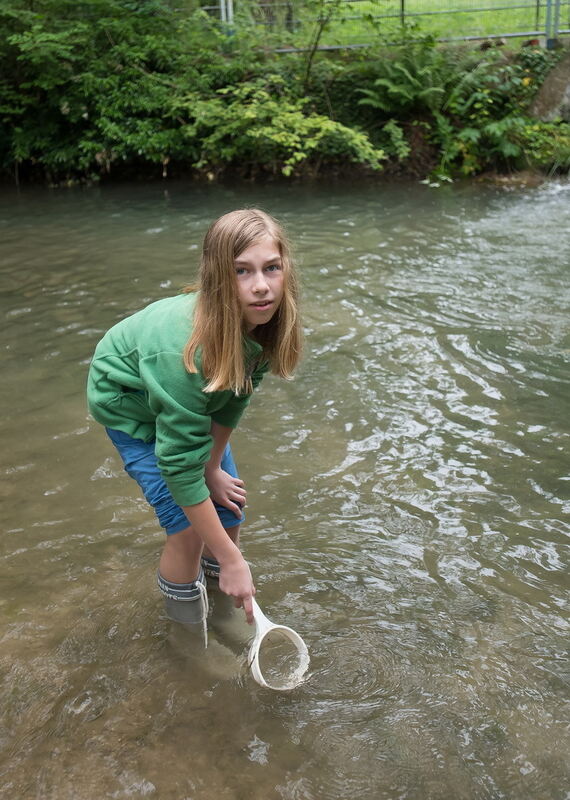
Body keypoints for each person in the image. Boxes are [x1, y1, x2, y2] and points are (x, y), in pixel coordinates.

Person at [87, 208, 301, 628]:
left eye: (271, 268)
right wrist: (232, 558)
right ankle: (185, 637)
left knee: (229, 511)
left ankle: (222, 611)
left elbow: (233, 400)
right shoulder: (184, 351)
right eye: (242, 272)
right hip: (129, 401)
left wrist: (214, 464)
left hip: (184, 395)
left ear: (285, 270)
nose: (261, 287)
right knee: (186, 531)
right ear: (218, 278)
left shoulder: (263, 323)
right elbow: (178, 468)